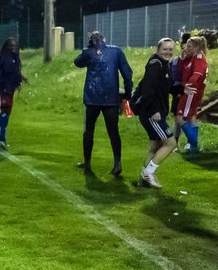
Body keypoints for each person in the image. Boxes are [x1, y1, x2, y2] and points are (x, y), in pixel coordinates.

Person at [73, 30, 133, 176]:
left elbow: (77, 62)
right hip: (111, 98)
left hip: (92, 98)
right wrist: (128, 92)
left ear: (91, 41)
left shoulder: (89, 52)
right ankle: (117, 162)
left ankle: (87, 162)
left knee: (89, 130)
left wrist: (86, 49)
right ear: (104, 39)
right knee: (113, 131)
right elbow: (127, 73)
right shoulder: (116, 51)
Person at [130, 37, 177, 189]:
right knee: (171, 143)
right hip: (152, 113)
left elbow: (165, 88)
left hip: (153, 111)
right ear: (158, 50)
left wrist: (183, 89)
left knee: (156, 146)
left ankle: (143, 179)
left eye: (171, 49)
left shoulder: (163, 65)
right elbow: (148, 91)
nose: (168, 52)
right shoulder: (155, 65)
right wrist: (154, 110)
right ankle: (149, 173)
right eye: (165, 49)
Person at [0, 37, 26, 148]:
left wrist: (20, 79)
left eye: (15, 46)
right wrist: (9, 85)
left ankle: (1, 137)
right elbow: (6, 74)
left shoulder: (14, 58)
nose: (13, 48)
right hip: (1, 89)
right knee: (4, 112)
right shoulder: (5, 57)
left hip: (9, 90)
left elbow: (14, 72)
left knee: (7, 113)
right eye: (11, 46)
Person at [173, 35, 208, 153]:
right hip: (189, 91)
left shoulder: (199, 58)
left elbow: (197, 74)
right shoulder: (191, 58)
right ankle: (192, 146)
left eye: (189, 46)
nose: (186, 48)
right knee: (190, 117)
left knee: (180, 118)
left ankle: (194, 143)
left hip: (191, 91)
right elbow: (182, 71)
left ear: (197, 47)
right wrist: (183, 60)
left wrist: (187, 85)